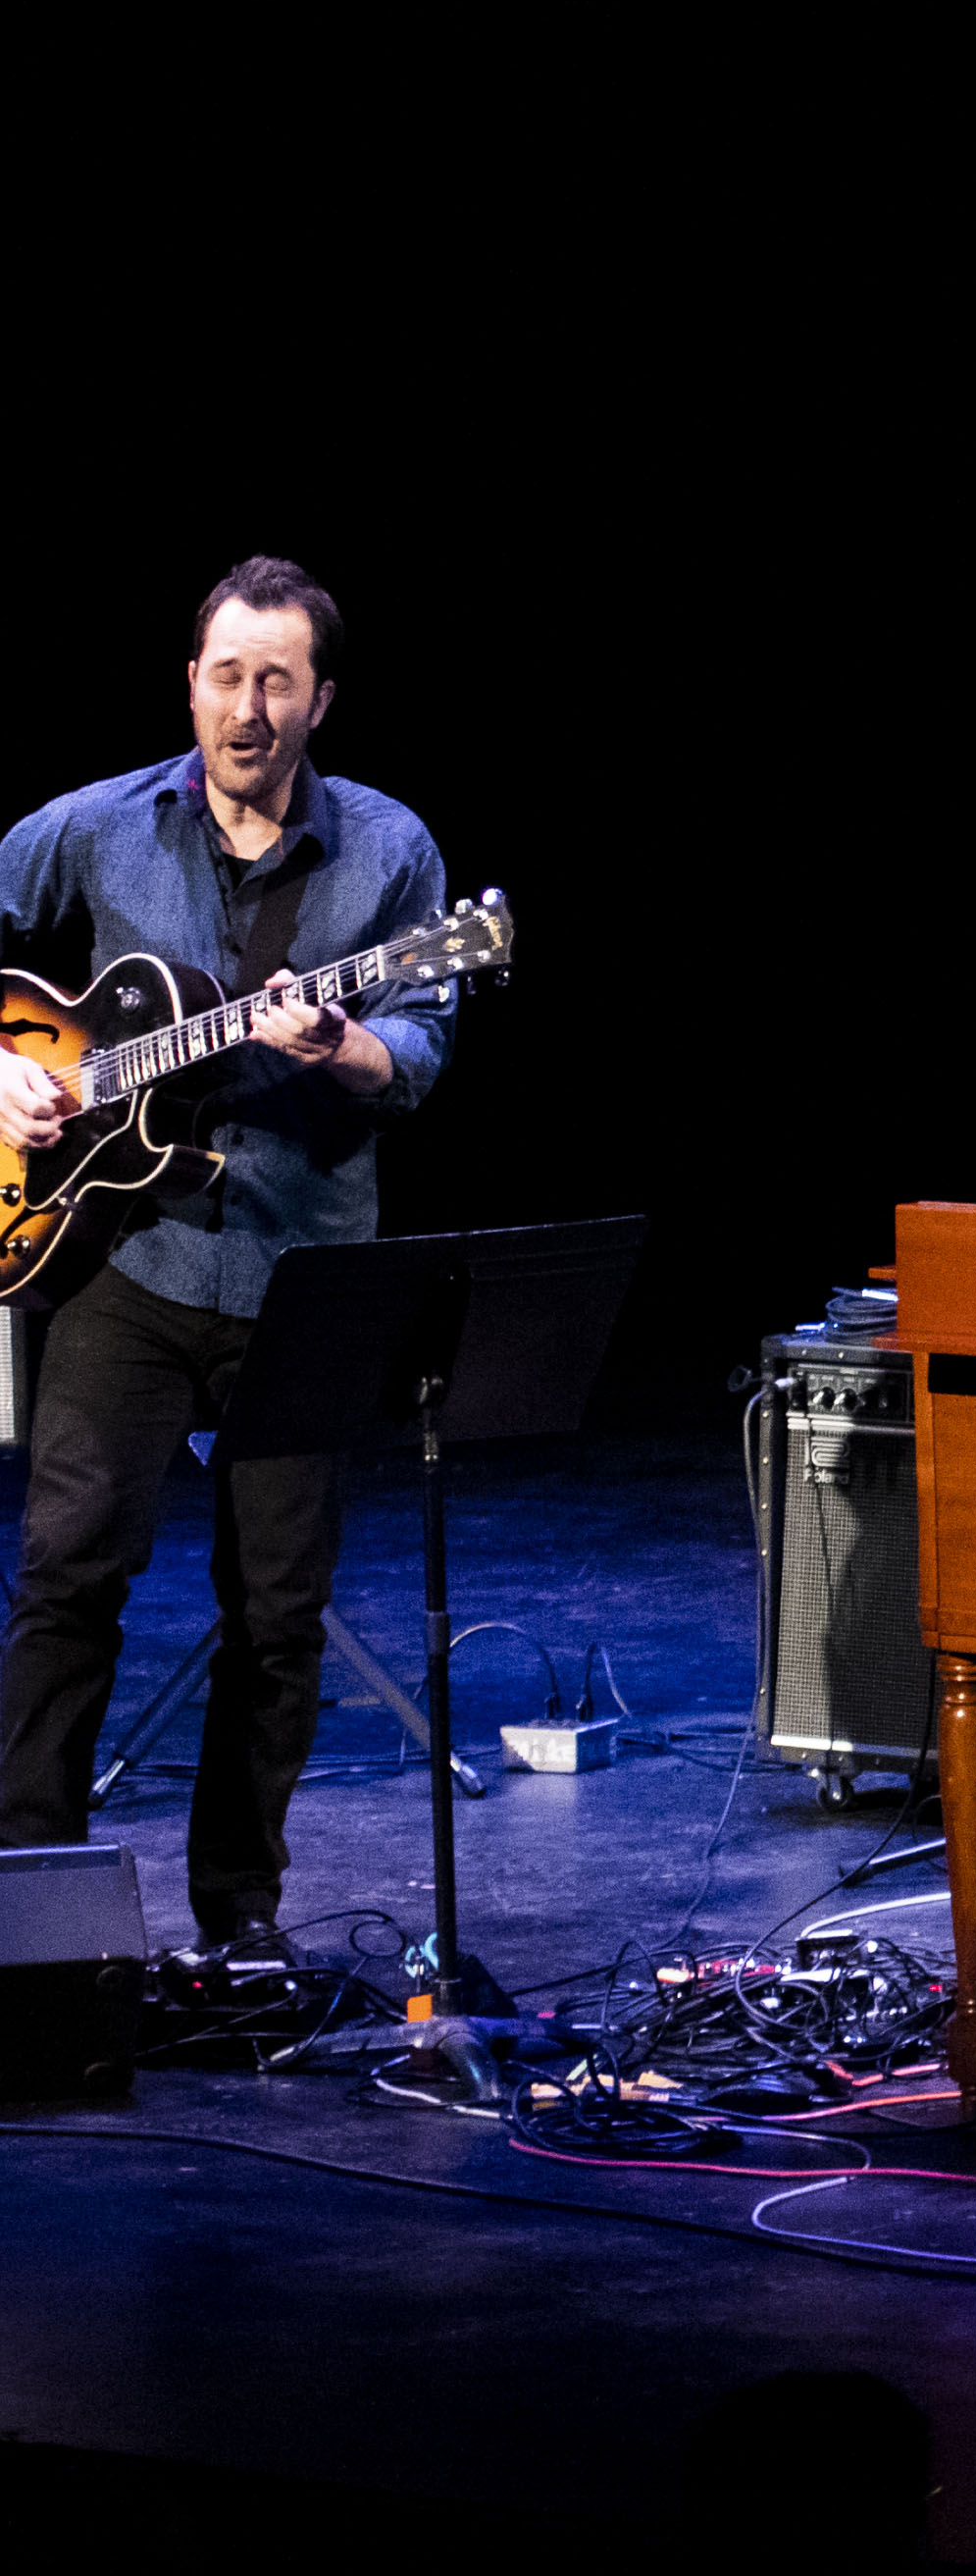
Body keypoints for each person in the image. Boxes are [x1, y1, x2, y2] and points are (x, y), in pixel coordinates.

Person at [0, 557, 462, 1953]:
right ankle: (30, 1918)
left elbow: (426, 1052)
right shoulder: (92, 828)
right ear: (188, 683)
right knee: (69, 1579)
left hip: (304, 1273)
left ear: (322, 698)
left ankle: (237, 1928)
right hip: (127, 1262)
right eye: (224, 676)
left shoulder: (392, 855)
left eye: (276, 681)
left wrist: (346, 1043)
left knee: (278, 1617)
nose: (246, 711)